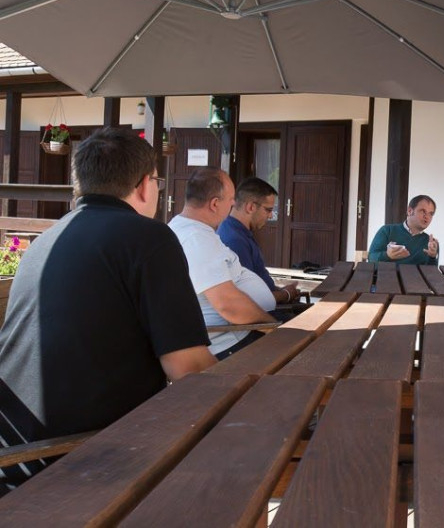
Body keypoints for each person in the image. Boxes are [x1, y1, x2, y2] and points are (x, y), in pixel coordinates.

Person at [0, 128, 214, 489]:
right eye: (158, 182)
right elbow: (188, 369)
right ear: (145, 185)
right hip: (78, 462)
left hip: (17, 453)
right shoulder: (149, 238)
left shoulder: (46, 240)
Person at [169, 167, 278, 360]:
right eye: (231, 199)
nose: (234, 204)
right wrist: (273, 326)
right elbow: (228, 305)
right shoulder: (197, 239)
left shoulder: (191, 230)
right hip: (232, 341)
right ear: (214, 203)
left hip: (240, 332)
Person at [217, 177, 298, 305]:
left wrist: (282, 291)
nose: (270, 215)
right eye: (268, 210)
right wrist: (286, 295)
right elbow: (248, 298)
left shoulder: (237, 231)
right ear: (250, 207)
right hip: (264, 313)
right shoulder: (234, 241)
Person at [368, 195, 439, 265]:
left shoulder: (431, 243)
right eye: (423, 211)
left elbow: (431, 271)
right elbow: (371, 258)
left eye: (431, 214)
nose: (427, 217)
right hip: (388, 272)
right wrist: (387, 255)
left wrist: (432, 257)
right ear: (409, 211)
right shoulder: (387, 230)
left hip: (415, 273)